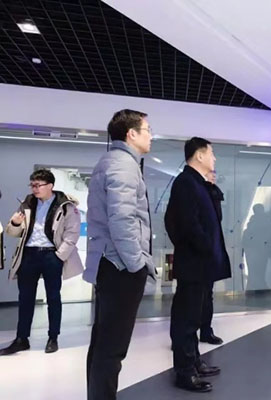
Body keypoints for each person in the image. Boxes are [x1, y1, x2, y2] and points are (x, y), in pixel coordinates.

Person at [84, 109, 155, 400]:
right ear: (131, 133)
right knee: (112, 347)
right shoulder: (123, 165)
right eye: (147, 130)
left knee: (103, 343)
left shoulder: (112, 161)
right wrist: (136, 264)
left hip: (110, 263)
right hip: (120, 266)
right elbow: (122, 221)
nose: (151, 136)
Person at [165, 137, 231, 392]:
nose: (214, 158)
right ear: (199, 155)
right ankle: (184, 372)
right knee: (186, 318)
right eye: (211, 153)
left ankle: (193, 361)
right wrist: (204, 246)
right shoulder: (185, 182)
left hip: (202, 263)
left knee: (195, 316)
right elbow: (183, 223)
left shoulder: (199, 183)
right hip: (194, 262)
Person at [0, 169, 82, 355]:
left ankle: (53, 337)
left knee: (53, 297)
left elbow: (72, 234)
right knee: (25, 298)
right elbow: (13, 232)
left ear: (50, 186)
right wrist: (15, 223)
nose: (34, 189)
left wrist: (59, 256)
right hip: (28, 255)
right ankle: (22, 339)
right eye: (32, 185)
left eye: (38, 185)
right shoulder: (27, 203)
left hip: (51, 255)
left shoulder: (65, 206)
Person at [198, 170, 225, 345]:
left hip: (210, 250)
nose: (214, 176)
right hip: (196, 251)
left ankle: (206, 330)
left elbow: (217, 221)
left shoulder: (215, 193)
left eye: (215, 174)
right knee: (192, 297)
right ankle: (183, 338)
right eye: (210, 174)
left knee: (207, 294)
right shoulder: (195, 190)